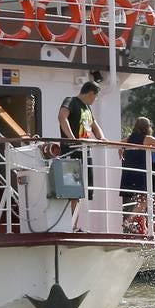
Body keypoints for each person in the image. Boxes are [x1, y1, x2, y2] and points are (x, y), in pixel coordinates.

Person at [57, 80, 107, 226]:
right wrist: (72, 139)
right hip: (71, 152)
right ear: (91, 93)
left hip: (85, 153)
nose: (95, 100)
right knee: (73, 192)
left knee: (82, 192)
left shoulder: (87, 108)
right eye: (95, 96)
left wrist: (102, 138)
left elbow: (95, 126)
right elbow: (62, 117)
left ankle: (74, 226)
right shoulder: (71, 101)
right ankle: (70, 226)